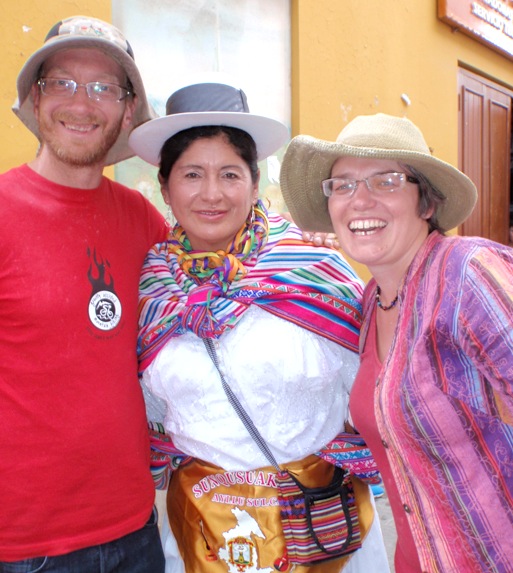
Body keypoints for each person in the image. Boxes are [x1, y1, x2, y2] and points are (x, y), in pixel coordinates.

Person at [129, 79, 391, 573]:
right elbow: (149, 410)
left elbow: (376, 387)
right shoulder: (152, 288)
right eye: (191, 174)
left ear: (254, 184)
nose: (211, 194)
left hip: (322, 532)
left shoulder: (313, 268)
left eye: (229, 174)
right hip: (204, 538)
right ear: (165, 187)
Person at [280, 112, 513, 573]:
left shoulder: (466, 274)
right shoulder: (373, 301)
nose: (359, 200)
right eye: (343, 185)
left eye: (385, 181)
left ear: (426, 203)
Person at [0, 15, 168, 571]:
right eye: (62, 82)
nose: (81, 103)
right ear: (36, 97)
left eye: (103, 87)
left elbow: (215, 285)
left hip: (136, 528)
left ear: (127, 111)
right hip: (25, 547)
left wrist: (294, 249)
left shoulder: (144, 221)